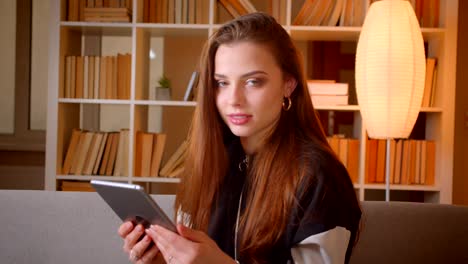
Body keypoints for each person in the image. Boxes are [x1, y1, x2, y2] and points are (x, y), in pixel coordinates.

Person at [118, 12, 361, 264]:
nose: (233, 99)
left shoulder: (319, 175)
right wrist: (164, 257)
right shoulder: (214, 159)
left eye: (253, 81)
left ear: (288, 84)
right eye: (222, 83)